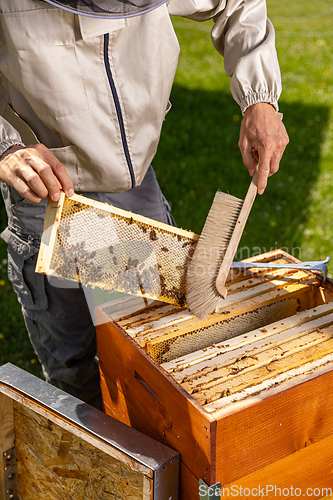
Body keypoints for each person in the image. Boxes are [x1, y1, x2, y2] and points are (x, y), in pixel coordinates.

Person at [0, 0, 289, 409]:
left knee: (161, 365)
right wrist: (5, 148)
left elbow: (237, 4)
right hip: (48, 196)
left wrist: (259, 99)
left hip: (134, 191)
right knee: (73, 373)